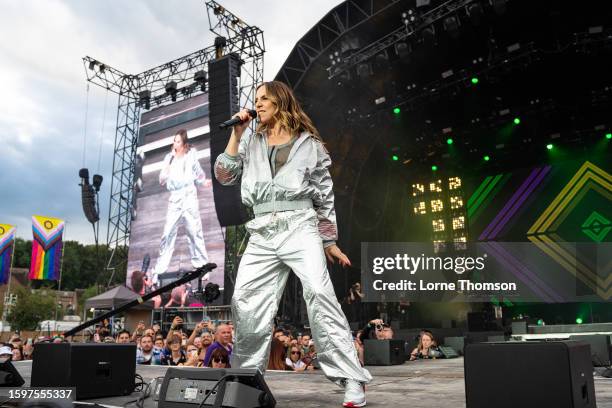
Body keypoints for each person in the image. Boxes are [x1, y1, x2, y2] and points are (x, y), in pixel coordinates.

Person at [214, 81, 371, 407]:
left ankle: (351, 378)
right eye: (255, 100)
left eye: (263, 99)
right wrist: (237, 134)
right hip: (261, 231)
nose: (257, 104)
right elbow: (224, 176)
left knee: (318, 292)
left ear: (280, 101)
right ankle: (245, 383)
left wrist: (328, 241)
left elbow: (325, 197)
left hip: (300, 226)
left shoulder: (309, 145)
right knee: (244, 301)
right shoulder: (251, 141)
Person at [151, 129, 210, 285]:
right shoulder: (168, 158)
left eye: (177, 141)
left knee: (194, 231)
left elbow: (197, 172)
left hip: (189, 195)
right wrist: (169, 163)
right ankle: (159, 271)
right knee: (167, 233)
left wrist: (203, 181)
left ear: (184, 144)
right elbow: (162, 180)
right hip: (175, 197)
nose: (174, 143)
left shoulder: (191, 154)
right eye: (174, 141)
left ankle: (202, 267)